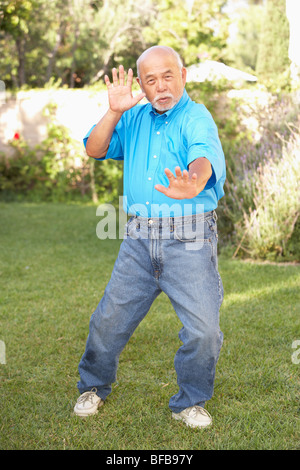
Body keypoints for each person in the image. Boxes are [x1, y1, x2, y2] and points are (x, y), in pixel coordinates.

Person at [74, 46, 226, 429]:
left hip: (189, 235)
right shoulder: (134, 117)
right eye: (151, 80)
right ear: (140, 84)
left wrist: (194, 182)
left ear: (184, 75)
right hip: (139, 238)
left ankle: (190, 402)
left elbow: (202, 154)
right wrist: (114, 111)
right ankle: (92, 386)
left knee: (204, 330)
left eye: (168, 76)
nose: (161, 87)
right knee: (109, 321)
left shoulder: (196, 116)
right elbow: (96, 148)